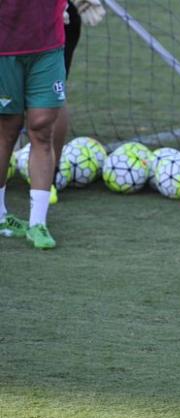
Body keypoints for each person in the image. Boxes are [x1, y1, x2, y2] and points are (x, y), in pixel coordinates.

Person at [0, 0, 69, 249]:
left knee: (42, 128)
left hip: (48, 42)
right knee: (7, 129)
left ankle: (37, 223)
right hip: (4, 46)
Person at [52, 0, 106, 203]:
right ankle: (48, 179)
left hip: (51, 17)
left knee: (49, 95)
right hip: (55, 14)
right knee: (51, 93)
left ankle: (47, 179)